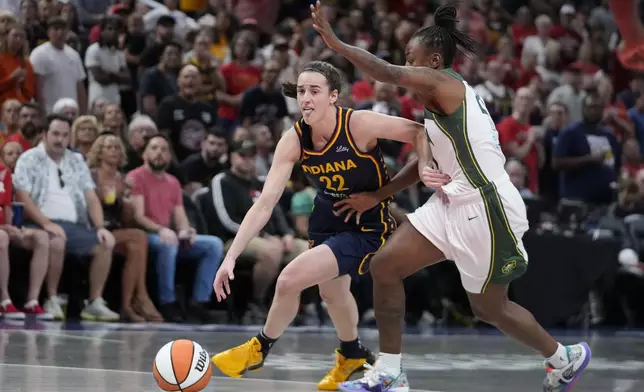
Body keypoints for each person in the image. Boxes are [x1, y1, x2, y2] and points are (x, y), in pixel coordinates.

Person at [310, 2, 592, 392]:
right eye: (407, 60)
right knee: (387, 266)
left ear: (435, 60)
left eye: (413, 59)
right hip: (450, 204)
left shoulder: (447, 84)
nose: (407, 66)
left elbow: (387, 73)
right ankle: (390, 372)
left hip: (486, 207)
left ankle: (564, 358)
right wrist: (379, 195)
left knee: (489, 308)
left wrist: (337, 43)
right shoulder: (438, 105)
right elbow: (427, 162)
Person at [210, 60, 431, 391]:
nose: (306, 99)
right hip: (327, 217)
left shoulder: (359, 124)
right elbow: (265, 203)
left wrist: (423, 167)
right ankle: (352, 353)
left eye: (314, 91)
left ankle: (259, 348)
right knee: (332, 290)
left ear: (333, 96)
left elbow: (419, 131)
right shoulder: (294, 139)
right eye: (301, 91)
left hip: (365, 223)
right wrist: (230, 257)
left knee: (289, 280)